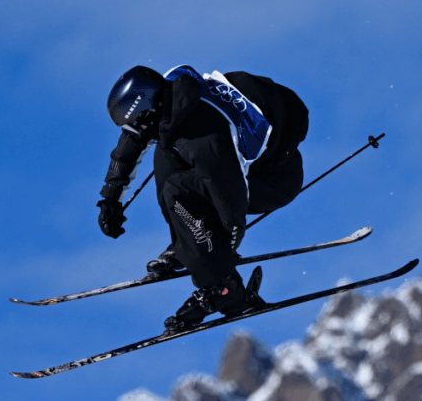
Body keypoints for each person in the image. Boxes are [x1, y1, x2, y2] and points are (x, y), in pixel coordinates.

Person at [97, 64, 308, 333]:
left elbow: (232, 203)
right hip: (233, 172)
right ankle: (186, 243)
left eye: (137, 122)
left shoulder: (206, 137)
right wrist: (110, 199)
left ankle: (225, 291)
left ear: (150, 110)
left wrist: (220, 261)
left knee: (178, 189)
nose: (135, 130)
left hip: (274, 180)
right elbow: (131, 143)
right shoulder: (172, 95)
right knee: (164, 154)